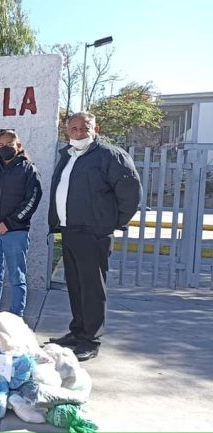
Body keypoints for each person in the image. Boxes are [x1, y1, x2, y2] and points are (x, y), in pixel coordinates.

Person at [48, 112, 141, 361]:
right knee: (76, 286)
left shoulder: (110, 155)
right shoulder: (67, 156)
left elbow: (130, 192)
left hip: (93, 233)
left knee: (92, 288)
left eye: (84, 128)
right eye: (74, 129)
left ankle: (91, 339)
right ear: (68, 131)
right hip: (70, 230)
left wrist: (111, 222)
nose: (79, 133)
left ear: (95, 128)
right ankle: (78, 332)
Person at [0, 130, 42, 317]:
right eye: (1, 145)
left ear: (18, 146)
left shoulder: (29, 170)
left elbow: (32, 200)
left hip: (15, 232)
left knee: (17, 277)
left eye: (9, 144)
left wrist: (9, 224)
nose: (5, 148)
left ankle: (16, 316)